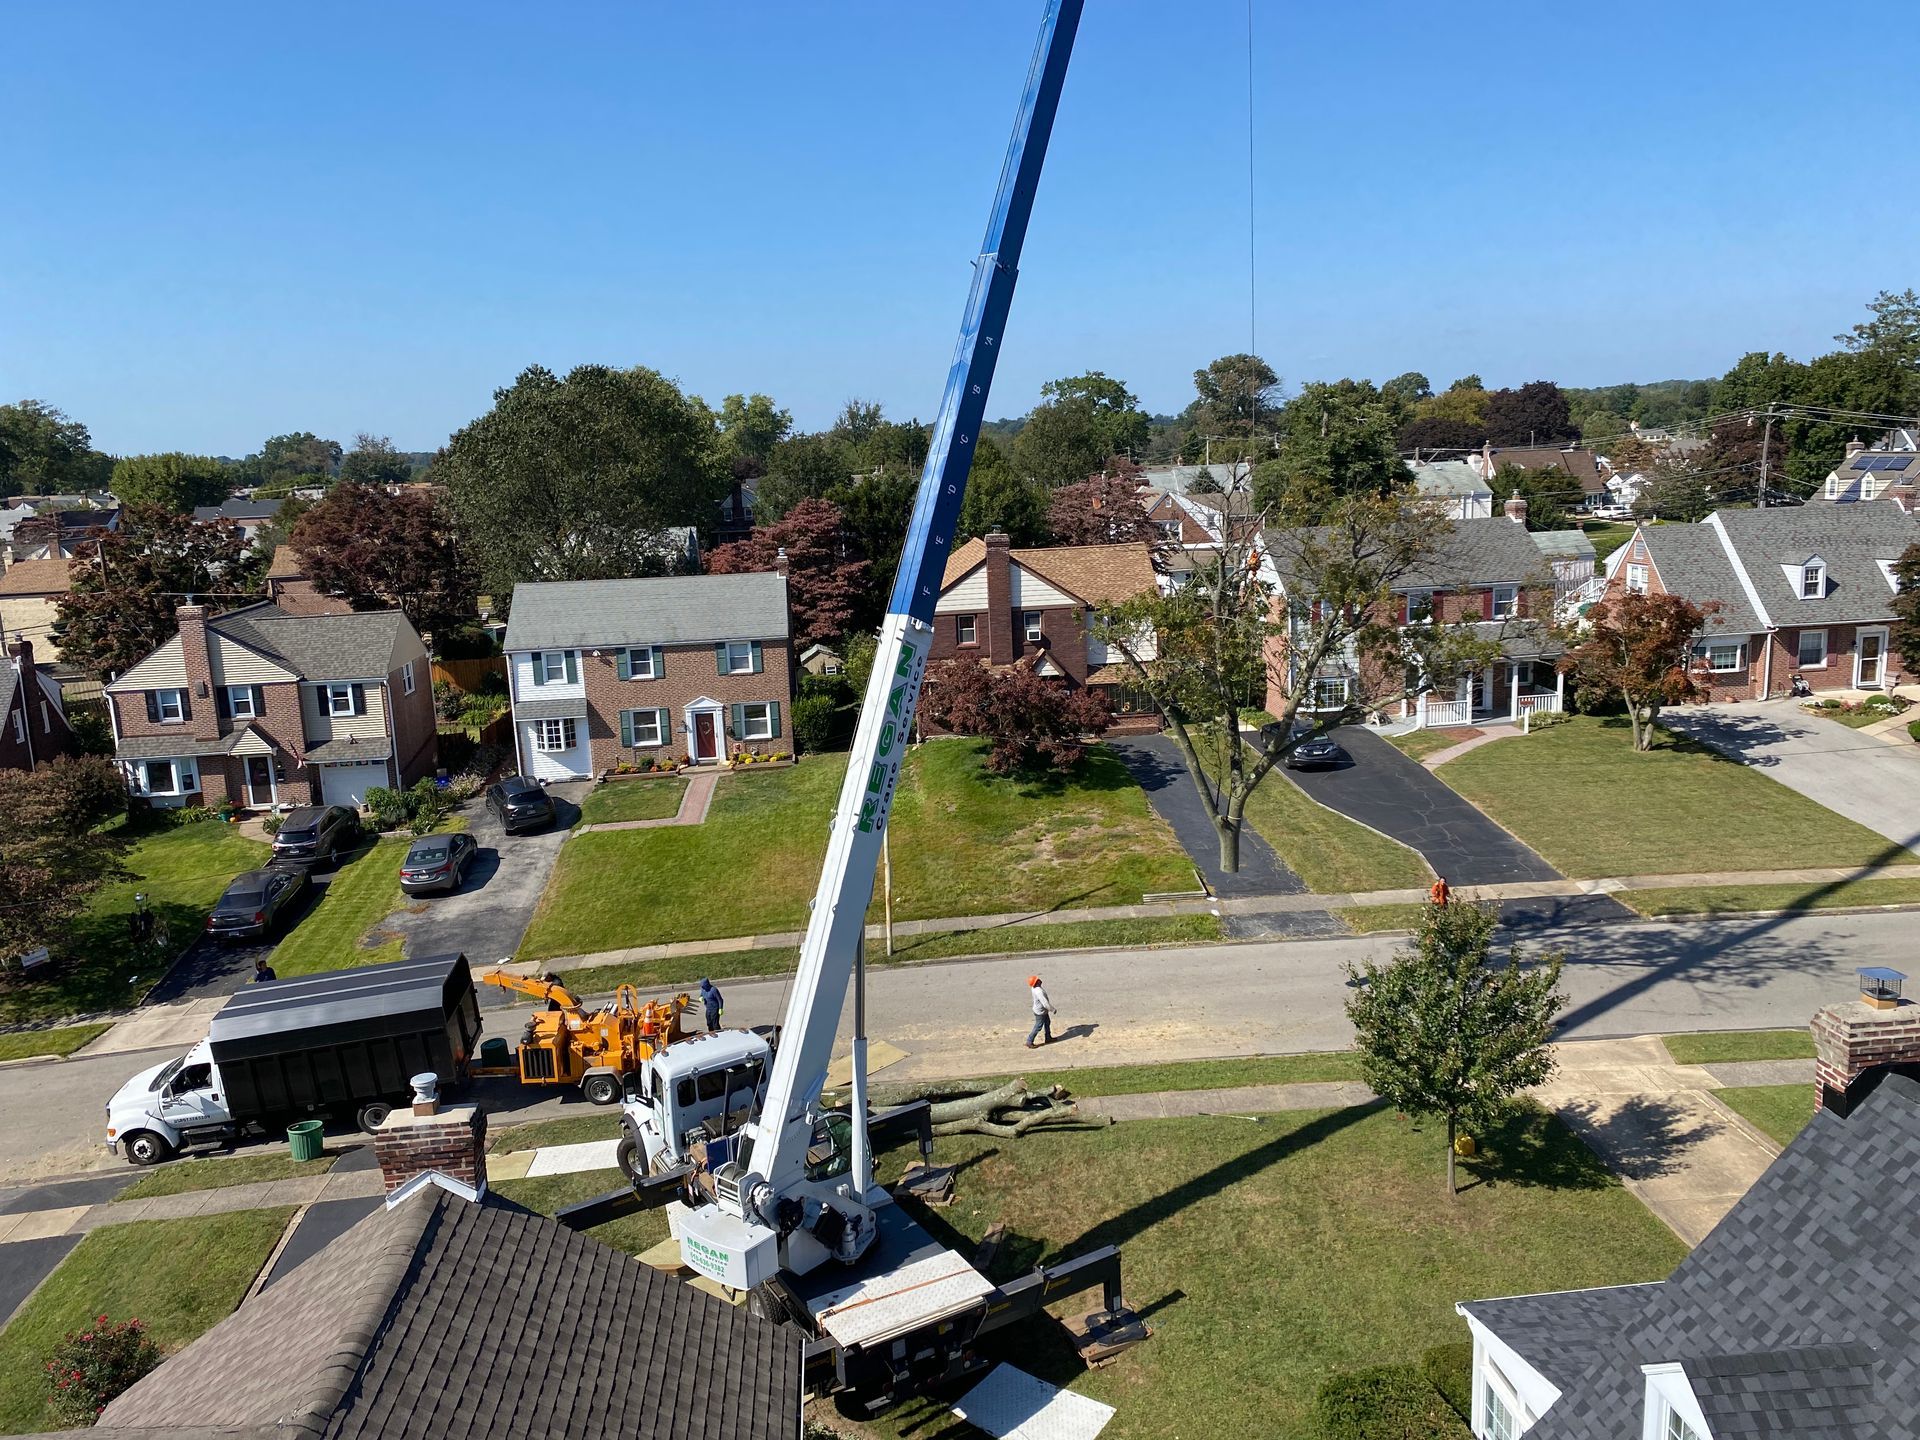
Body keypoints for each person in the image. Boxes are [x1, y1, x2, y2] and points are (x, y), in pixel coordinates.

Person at [1026, 974, 1057, 1049]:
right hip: (1040, 1012)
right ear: (1036, 983)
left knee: (1047, 1023)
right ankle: (1029, 1041)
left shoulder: (1034, 988)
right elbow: (1045, 1003)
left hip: (1041, 1010)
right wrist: (1053, 1010)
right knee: (1038, 1026)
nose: (1039, 979)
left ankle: (1048, 1038)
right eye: (1037, 980)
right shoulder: (1039, 991)